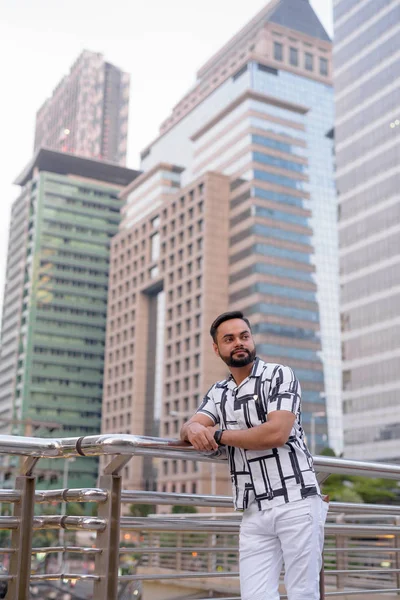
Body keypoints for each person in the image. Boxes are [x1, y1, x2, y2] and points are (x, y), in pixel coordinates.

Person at [180, 311, 328, 600]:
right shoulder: (219, 392)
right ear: (217, 348)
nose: (239, 343)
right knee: (255, 596)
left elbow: (276, 433)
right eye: (230, 339)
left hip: (296, 500)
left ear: (252, 339)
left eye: (244, 336)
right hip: (253, 508)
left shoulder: (279, 375)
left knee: (303, 593)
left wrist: (218, 435)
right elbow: (191, 425)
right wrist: (191, 428)